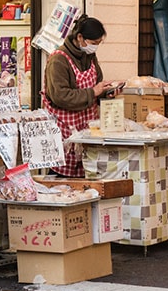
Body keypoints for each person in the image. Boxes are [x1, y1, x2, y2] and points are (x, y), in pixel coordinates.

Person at [42, 15, 122, 177]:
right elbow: (61, 96)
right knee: (62, 180)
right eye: (93, 43)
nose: (95, 47)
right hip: (64, 132)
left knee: (86, 175)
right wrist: (93, 92)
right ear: (80, 38)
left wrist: (107, 93)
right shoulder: (58, 60)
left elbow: (97, 86)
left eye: (99, 44)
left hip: (86, 130)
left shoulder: (90, 58)